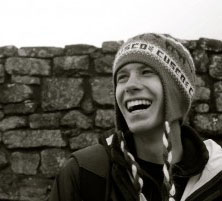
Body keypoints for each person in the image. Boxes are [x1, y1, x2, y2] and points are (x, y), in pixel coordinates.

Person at [49, 33, 222, 201]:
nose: (129, 86)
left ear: (176, 92)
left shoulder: (216, 176)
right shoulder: (84, 173)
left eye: (146, 72)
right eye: (122, 77)